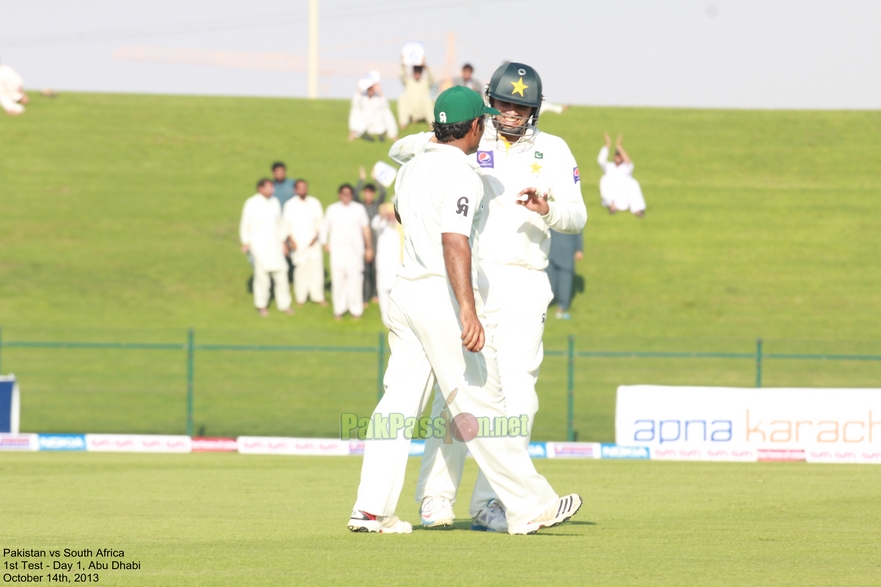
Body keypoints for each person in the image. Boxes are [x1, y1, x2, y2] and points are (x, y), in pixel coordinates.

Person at [348, 86, 581, 535]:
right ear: (474, 126)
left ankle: (370, 510)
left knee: (396, 404)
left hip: (405, 292)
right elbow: (454, 240)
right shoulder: (462, 175)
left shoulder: (411, 170)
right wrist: (468, 310)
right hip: (441, 296)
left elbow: (402, 217)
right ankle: (529, 507)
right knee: (484, 403)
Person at [239, 179, 293, 317]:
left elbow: (279, 224)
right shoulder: (251, 203)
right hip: (259, 247)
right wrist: (246, 242)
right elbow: (245, 224)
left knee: (282, 276)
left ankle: (284, 304)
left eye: (271, 187)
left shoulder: (274, 202)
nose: (271, 190)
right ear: (260, 188)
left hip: (275, 246)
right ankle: (261, 305)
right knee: (262, 278)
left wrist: (283, 243)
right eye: (268, 187)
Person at [321, 184, 373, 320]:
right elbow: (325, 226)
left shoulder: (359, 209)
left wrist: (369, 247)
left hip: (355, 252)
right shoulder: (332, 209)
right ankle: (339, 309)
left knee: (355, 281)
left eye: (349, 194)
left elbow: (365, 227)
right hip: (337, 252)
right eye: (343, 194)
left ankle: (356, 310)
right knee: (338, 281)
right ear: (339, 195)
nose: (346, 196)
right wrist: (324, 242)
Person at [283, 179, 326, 307]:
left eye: (304, 187)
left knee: (316, 270)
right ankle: (301, 297)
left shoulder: (314, 203)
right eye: (299, 187)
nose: (302, 190)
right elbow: (286, 225)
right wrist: (290, 240)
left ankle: (318, 296)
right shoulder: (290, 205)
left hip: (313, 243)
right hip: (298, 243)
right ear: (295, 190)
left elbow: (320, 222)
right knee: (300, 271)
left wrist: (316, 236)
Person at [354, 167, 387, 307]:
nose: (368, 195)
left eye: (371, 193)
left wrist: (376, 180)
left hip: (376, 243)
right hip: (362, 243)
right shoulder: (360, 205)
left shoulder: (376, 205)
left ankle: (374, 294)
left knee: (375, 270)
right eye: (366, 192)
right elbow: (354, 193)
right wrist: (361, 180)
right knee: (364, 271)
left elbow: (384, 193)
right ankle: (364, 297)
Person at [598, 132, 646, 217]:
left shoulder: (626, 168)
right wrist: (607, 145)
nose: (617, 158)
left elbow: (629, 162)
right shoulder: (610, 167)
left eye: (620, 156)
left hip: (625, 195)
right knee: (604, 179)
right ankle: (612, 206)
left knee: (634, 183)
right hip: (612, 194)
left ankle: (638, 210)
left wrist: (619, 146)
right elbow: (601, 160)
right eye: (616, 156)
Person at [371, 202, 403, 327]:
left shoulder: (400, 226)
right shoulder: (381, 224)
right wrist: (383, 215)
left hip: (398, 265)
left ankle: (397, 318)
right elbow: (375, 224)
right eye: (389, 214)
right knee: (383, 291)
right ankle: (386, 319)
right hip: (383, 265)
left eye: (392, 214)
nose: (391, 217)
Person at [348, 72, 398, 142]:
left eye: (372, 87)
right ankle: (353, 132)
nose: (371, 90)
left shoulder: (378, 96)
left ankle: (393, 134)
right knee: (355, 110)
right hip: (365, 125)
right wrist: (359, 89)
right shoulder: (363, 96)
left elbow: (385, 105)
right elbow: (355, 104)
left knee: (386, 111)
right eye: (369, 88)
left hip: (378, 126)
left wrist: (380, 91)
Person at [547, 229, 583, 320]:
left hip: (567, 251)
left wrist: (579, 249)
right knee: (549, 280)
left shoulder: (572, 215)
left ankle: (562, 305)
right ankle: (548, 303)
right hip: (550, 250)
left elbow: (578, 230)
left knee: (565, 280)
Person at [397, 62, 433, 129]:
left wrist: (426, 67)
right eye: (415, 72)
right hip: (411, 110)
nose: (417, 74)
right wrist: (404, 65)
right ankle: (403, 122)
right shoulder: (408, 80)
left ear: (421, 73)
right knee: (402, 97)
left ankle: (431, 123)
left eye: (418, 72)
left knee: (427, 99)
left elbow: (432, 79)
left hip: (421, 110)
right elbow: (402, 76)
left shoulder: (425, 82)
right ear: (413, 72)